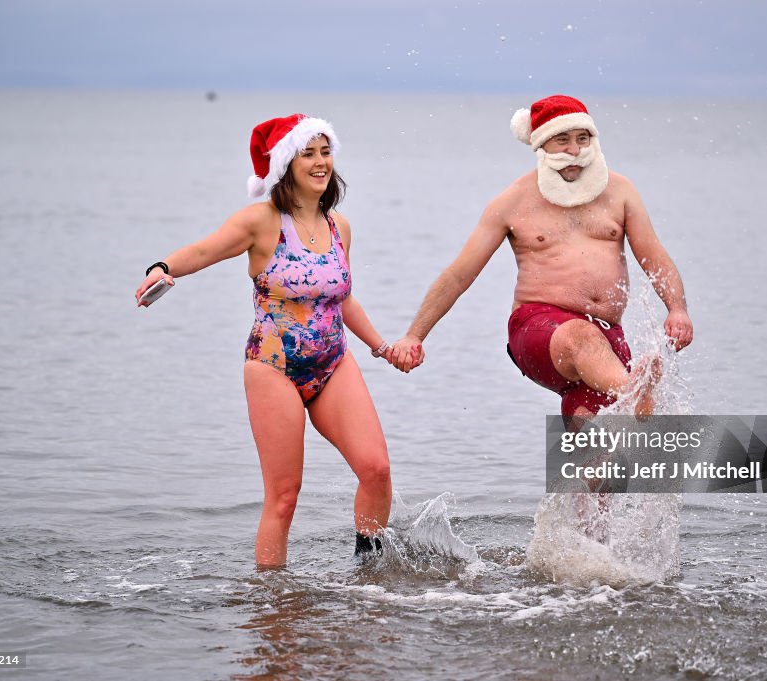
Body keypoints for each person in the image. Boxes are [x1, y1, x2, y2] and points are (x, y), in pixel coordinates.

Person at [134, 114, 396, 567]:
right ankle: (272, 603)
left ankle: (368, 576)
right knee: (283, 497)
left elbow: (342, 300)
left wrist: (382, 346)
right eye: (307, 154)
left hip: (333, 364)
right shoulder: (261, 222)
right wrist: (162, 268)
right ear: (284, 166)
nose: (320, 163)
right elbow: (204, 250)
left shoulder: (340, 227)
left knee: (376, 471)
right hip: (273, 367)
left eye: (325, 151)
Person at [390, 95, 693, 418]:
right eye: (562, 141)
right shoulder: (513, 201)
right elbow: (459, 275)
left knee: (595, 450)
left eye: (583, 138)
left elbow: (653, 254)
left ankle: (622, 416)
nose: (575, 150)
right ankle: (635, 394)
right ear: (541, 145)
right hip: (537, 329)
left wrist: (678, 309)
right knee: (581, 336)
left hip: (607, 337)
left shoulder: (620, 192)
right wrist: (414, 335)